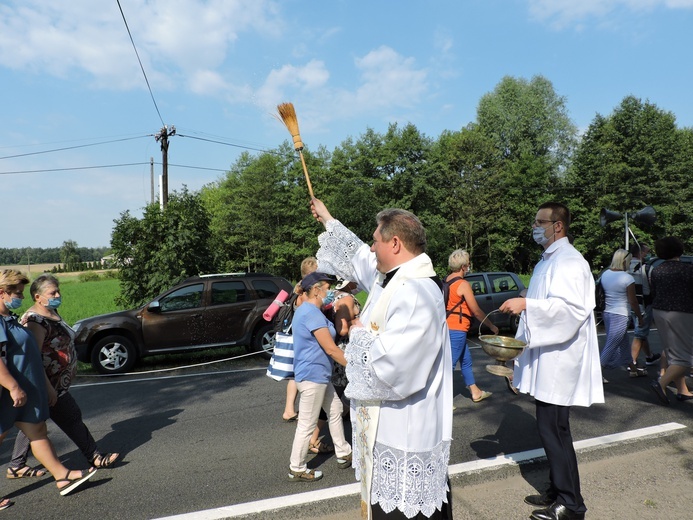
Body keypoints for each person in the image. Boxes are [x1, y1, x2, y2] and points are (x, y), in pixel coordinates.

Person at [311, 198, 453, 519]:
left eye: (376, 240)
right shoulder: (390, 277)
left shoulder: (416, 292)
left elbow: (395, 367)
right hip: (384, 430)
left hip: (405, 431)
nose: (372, 248)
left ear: (395, 243)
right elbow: (358, 254)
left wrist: (357, 332)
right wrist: (327, 217)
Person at [499, 203, 604, 520]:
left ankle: (571, 505)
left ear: (558, 226)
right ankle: (558, 489)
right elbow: (540, 308)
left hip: (560, 360)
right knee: (550, 429)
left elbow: (570, 311)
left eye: (539, 221)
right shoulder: (548, 262)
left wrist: (526, 302)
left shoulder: (571, 262)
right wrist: (517, 350)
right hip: (546, 356)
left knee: (554, 430)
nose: (534, 226)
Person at [0, 270, 97, 509]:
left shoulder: (8, 319)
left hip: (22, 391)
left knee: (38, 432)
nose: (20, 298)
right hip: (8, 392)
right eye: (16, 294)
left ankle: (62, 477)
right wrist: (13, 387)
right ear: (1, 293)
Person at [7, 275, 119, 480]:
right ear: (38, 297)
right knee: (68, 417)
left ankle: (16, 465)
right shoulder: (35, 321)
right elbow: (34, 357)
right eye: (53, 293)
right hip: (46, 383)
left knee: (33, 424)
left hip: (56, 382)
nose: (58, 295)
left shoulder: (51, 313)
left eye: (58, 291)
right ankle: (93, 456)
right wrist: (47, 387)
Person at [287, 272, 351, 482]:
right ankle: (296, 467)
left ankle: (343, 452)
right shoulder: (311, 313)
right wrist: (355, 367)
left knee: (335, 410)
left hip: (319, 375)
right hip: (313, 376)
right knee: (306, 423)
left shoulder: (310, 310)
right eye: (327, 288)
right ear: (316, 290)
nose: (330, 292)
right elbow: (331, 350)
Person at [445, 249, 498, 403]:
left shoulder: (447, 280)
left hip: (448, 327)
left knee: (466, 360)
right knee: (450, 366)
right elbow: (476, 311)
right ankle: (442, 403)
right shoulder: (463, 284)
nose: (468, 267)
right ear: (463, 266)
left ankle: (475, 392)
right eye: (468, 264)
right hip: (457, 329)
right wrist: (491, 326)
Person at [648, 237, 693, 405]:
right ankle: (661, 383)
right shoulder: (687, 270)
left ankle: (682, 390)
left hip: (659, 311)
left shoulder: (656, 270)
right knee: (687, 358)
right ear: (679, 249)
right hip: (682, 312)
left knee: (673, 353)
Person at [599, 249, 644, 380]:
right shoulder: (627, 278)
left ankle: (633, 369)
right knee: (611, 344)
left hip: (607, 312)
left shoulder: (605, 274)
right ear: (624, 261)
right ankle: (596, 373)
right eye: (629, 261)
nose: (630, 264)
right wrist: (639, 317)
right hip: (621, 314)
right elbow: (633, 301)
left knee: (623, 343)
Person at [627, 243, 661, 369]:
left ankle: (649, 356)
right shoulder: (647, 268)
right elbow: (653, 286)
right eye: (646, 252)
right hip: (645, 304)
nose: (648, 254)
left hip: (631, 302)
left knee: (641, 331)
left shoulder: (626, 267)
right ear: (640, 253)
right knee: (640, 333)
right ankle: (633, 363)